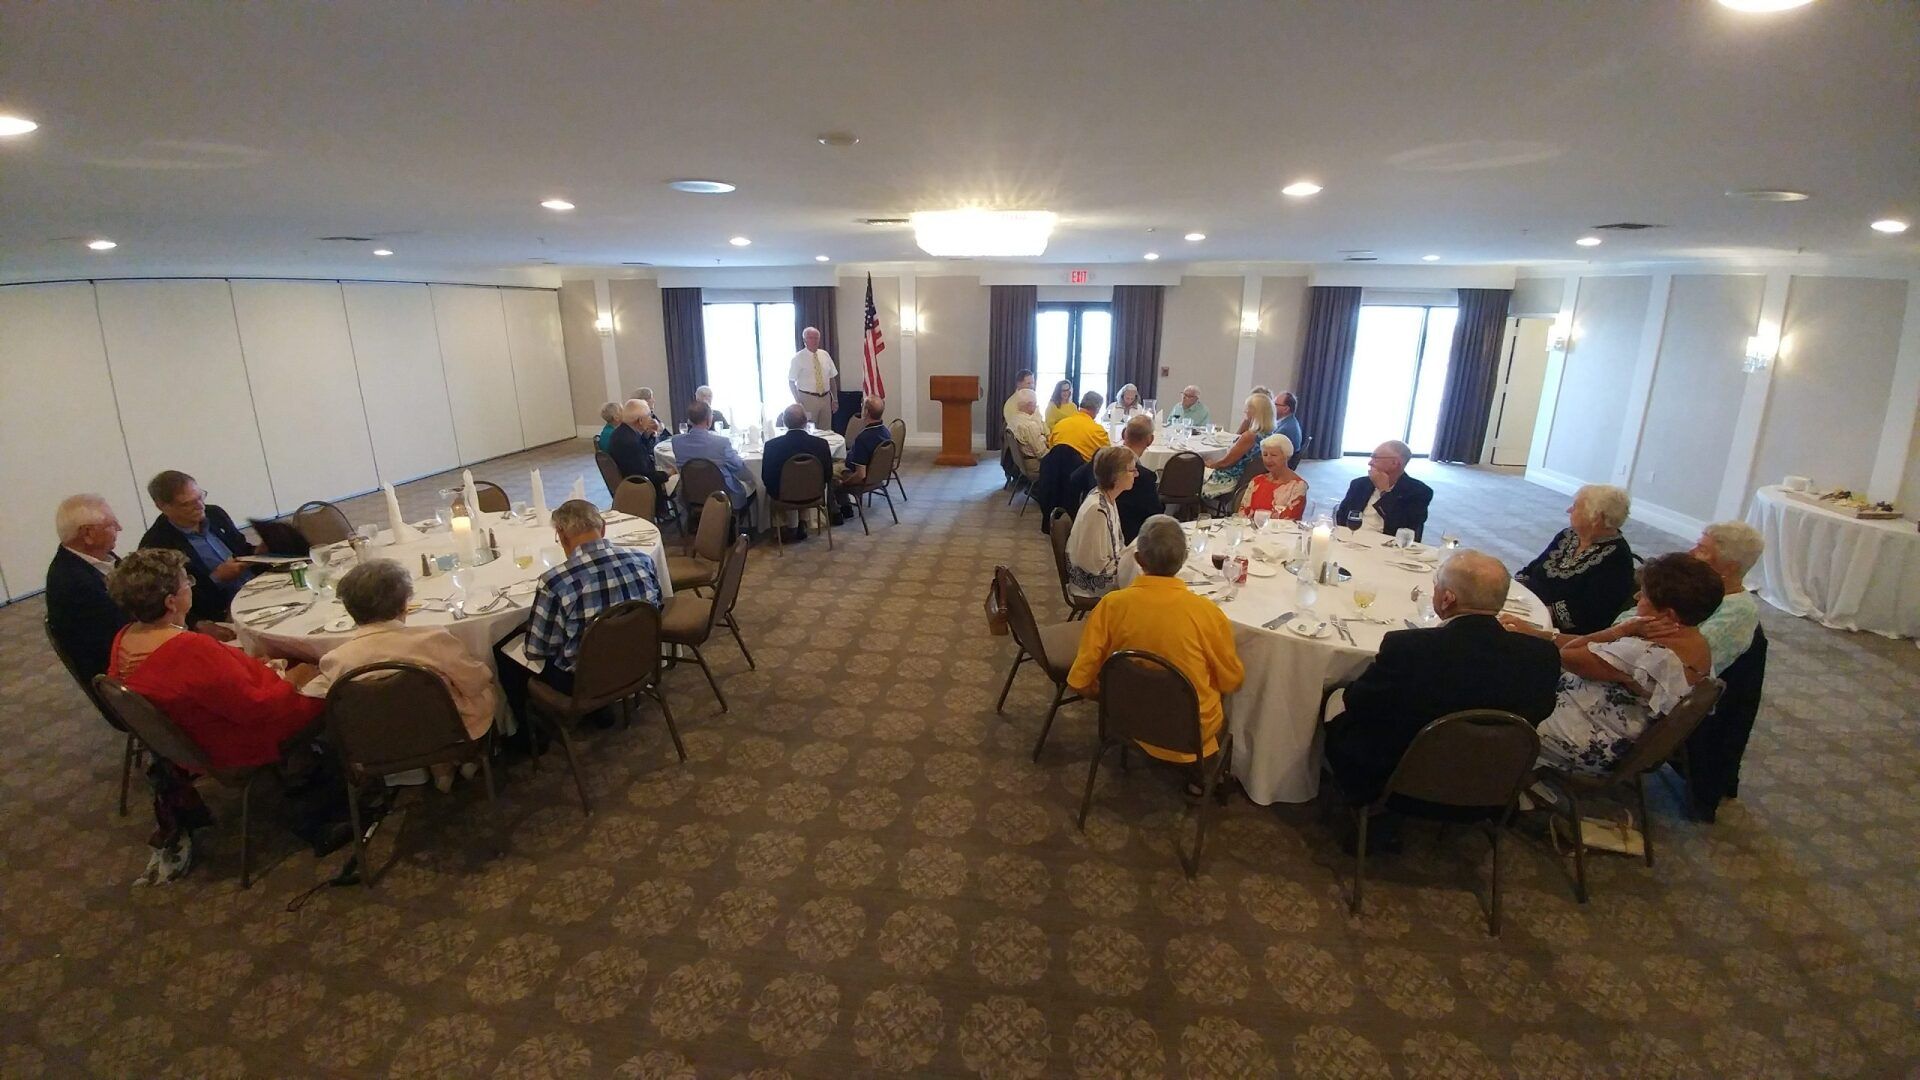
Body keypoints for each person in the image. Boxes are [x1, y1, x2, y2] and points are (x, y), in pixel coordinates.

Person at [1321, 551, 1560, 850]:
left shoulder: (1410, 649)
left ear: (1447, 599)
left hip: (1395, 781)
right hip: (1491, 782)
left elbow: (1360, 703)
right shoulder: (1541, 657)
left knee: (1335, 696)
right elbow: (1541, 711)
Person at [301, 559, 498, 791]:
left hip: (379, 741)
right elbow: (475, 683)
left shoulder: (337, 660)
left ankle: (439, 768)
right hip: (449, 732)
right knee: (483, 682)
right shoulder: (432, 640)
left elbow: (317, 695)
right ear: (404, 604)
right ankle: (464, 758)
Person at [1068, 515, 1245, 764]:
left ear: (1139, 559)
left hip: (1125, 717)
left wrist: (1107, 697)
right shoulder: (1207, 613)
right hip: (1189, 732)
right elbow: (1231, 681)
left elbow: (1080, 678)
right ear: (1184, 559)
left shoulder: (1111, 606)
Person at [1534, 553, 1723, 776]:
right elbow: (1595, 649)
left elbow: (1569, 654)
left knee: (1496, 697)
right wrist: (1539, 635)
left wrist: (1620, 630)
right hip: (1623, 736)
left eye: (1643, 596)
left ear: (1668, 614)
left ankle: (1503, 783)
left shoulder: (1646, 655)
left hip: (1586, 737)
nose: (1636, 597)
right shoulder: (1697, 643)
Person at [495, 500, 663, 728]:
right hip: (638, 661)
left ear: (562, 536)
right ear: (602, 528)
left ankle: (528, 738)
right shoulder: (642, 561)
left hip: (583, 681)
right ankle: (601, 708)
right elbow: (656, 609)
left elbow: (537, 651)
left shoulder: (556, 582)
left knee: (502, 652)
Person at [137, 470, 256, 628]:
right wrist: (217, 578)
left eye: (200, 497)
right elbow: (165, 602)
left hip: (258, 587)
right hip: (221, 610)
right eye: (187, 504)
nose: (200, 506)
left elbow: (242, 549)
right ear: (162, 506)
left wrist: (261, 551)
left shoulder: (215, 514)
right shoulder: (156, 544)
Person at [1514, 484, 1637, 635]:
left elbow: (1592, 612)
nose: (1569, 510)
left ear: (1596, 517)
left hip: (1562, 632)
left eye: (1576, 506)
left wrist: (1538, 614)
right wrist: (1514, 590)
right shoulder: (1568, 535)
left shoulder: (1617, 558)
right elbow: (1533, 569)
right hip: (1528, 606)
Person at [45, 493, 130, 682]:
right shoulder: (74, 583)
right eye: (112, 524)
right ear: (88, 534)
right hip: (118, 668)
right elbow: (119, 635)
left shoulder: (99, 557)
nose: (120, 528)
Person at [1071, 415, 1158, 542]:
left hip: (1091, 532)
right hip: (1124, 538)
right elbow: (1154, 517)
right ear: (1150, 440)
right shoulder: (1145, 477)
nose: (1135, 474)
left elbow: (1074, 479)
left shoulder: (1101, 457)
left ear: (1123, 434)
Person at [1065, 446, 1137, 599]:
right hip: (1092, 584)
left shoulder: (1107, 497)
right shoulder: (1097, 509)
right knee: (1147, 587)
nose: (1136, 475)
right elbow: (1094, 565)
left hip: (1104, 569)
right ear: (1117, 476)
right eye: (1132, 470)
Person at [1334, 441, 1433, 541]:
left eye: (1375, 458)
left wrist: (1384, 493)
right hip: (1352, 538)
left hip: (1387, 546)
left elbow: (1403, 529)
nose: (1370, 462)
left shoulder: (1419, 492)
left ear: (1395, 463)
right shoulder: (1359, 484)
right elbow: (1341, 517)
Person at [763, 403, 833, 542]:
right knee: (805, 481)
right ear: (806, 421)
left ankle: (781, 526)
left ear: (784, 422)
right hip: (814, 494)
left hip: (784, 496)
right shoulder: (821, 444)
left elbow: (766, 478)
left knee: (777, 486)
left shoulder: (772, 446)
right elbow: (828, 474)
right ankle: (804, 522)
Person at [668, 399, 754, 507]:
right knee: (753, 487)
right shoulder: (721, 443)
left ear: (689, 420)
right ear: (709, 420)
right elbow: (738, 467)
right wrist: (752, 477)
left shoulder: (676, 441)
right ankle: (736, 520)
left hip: (690, 494)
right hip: (724, 497)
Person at [1201, 393, 1276, 499]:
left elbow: (1225, 462)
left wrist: (1209, 464)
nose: (1245, 411)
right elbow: (1236, 441)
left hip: (1231, 480)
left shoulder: (1250, 436)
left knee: (1192, 470)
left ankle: (1187, 508)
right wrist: (1246, 423)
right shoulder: (1268, 434)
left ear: (1255, 412)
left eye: (1248, 408)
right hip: (1247, 479)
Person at [835, 396, 895, 516]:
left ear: (866, 412)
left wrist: (845, 483)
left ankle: (838, 511)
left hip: (861, 477)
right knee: (837, 460)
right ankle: (845, 506)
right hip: (878, 475)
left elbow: (860, 475)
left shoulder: (863, 438)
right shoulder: (886, 432)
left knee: (828, 472)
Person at [1237, 433, 1308, 520]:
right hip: (1251, 531)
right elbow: (1242, 513)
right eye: (1265, 455)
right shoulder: (1256, 481)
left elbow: (1290, 519)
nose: (1268, 459)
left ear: (1286, 457)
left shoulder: (1298, 486)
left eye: (1274, 455)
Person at [608, 398, 665, 492]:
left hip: (627, 481)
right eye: (649, 416)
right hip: (640, 489)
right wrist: (667, 474)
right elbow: (645, 476)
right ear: (640, 421)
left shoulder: (621, 432)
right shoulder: (631, 443)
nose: (651, 419)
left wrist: (648, 436)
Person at [788, 325, 838, 431]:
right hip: (807, 399)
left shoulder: (825, 355)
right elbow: (791, 381)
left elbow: (832, 378)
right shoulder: (798, 358)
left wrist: (835, 399)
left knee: (826, 430)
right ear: (805, 340)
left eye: (816, 338)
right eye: (810, 338)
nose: (814, 340)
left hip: (825, 398)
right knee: (809, 429)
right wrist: (798, 401)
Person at [1048, 391, 1111, 462]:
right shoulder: (1098, 431)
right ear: (1097, 409)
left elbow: (1051, 447)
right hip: (1083, 471)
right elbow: (1107, 457)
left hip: (1055, 470)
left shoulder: (1059, 425)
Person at [1007, 388, 1051, 484]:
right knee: (1067, 463)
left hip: (1023, 464)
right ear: (1030, 405)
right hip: (1035, 466)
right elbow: (1042, 454)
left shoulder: (1013, 420)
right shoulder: (1030, 426)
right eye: (1035, 404)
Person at [1274, 392, 1304, 460]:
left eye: (1275, 404)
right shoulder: (1289, 421)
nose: (1272, 406)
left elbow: (1266, 448)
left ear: (1286, 409)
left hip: (1280, 464)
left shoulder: (1285, 429)